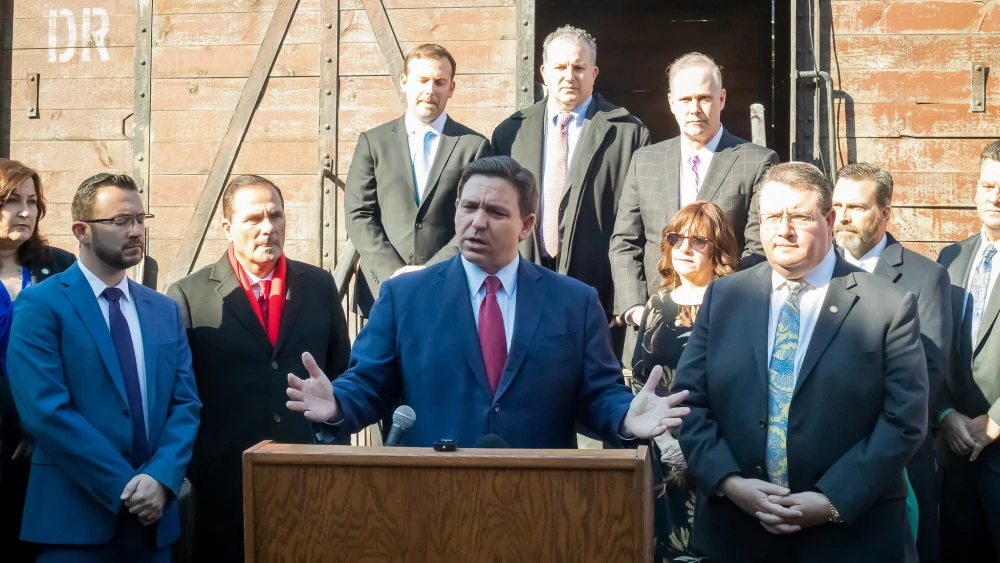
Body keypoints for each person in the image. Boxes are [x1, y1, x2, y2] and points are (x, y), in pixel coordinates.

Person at [286, 156, 688, 449]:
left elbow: (599, 394)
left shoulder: (575, 302)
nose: (477, 222)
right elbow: (369, 384)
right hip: (430, 501)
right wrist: (338, 402)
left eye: (496, 212)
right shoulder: (403, 297)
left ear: (526, 226)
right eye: (469, 207)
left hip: (543, 504)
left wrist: (626, 417)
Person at [673, 162, 927, 562]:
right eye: (773, 216)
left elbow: (905, 421)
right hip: (737, 533)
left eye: (800, 217)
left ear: (828, 220)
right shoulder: (724, 297)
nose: (784, 230)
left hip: (849, 537)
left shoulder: (888, 307)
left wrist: (831, 501)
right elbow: (689, 401)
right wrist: (730, 481)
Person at [7, 173, 200, 562]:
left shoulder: (163, 310)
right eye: (120, 221)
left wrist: (161, 478)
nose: (135, 231)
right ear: (81, 230)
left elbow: (185, 405)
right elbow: (45, 412)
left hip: (153, 528)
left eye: (141, 220)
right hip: (74, 525)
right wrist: (127, 485)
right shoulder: (41, 306)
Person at [166, 175, 351, 563]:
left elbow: (342, 372)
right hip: (224, 486)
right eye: (254, 219)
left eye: (276, 216)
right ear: (227, 228)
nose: (268, 227)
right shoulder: (188, 294)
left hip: (310, 476)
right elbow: (179, 393)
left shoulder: (318, 286)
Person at [491, 25, 650, 335]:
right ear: (544, 71)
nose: (569, 75)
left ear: (594, 72)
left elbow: (638, 223)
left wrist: (623, 297)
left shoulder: (627, 133)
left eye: (579, 67)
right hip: (522, 284)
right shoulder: (511, 133)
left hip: (595, 291)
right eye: (560, 67)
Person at [610, 52, 779, 333]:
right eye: (686, 99)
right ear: (671, 102)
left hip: (725, 323)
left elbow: (759, 249)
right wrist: (636, 310)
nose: (695, 108)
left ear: (721, 99)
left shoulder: (757, 161)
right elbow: (624, 242)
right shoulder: (645, 161)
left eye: (704, 98)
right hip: (651, 323)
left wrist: (715, 302)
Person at [832, 162, 951, 561]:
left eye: (857, 207)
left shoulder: (926, 276)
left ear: (885, 213)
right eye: (837, 205)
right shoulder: (816, 271)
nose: (843, 217)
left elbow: (929, 373)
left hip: (894, 461)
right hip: (818, 462)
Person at [630, 201, 740, 560]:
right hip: (659, 456)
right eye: (676, 239)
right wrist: (660, 438)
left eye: (698, 241)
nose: (684, 249)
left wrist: (696, 446)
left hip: (716, 454)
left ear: (719, 248)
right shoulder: (657, 302)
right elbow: (640, 376)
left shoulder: (737, 302)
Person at [346, 43, 490, 317]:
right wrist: (394, 272)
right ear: (404, 82)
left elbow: (476, 220)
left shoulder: (473, 146)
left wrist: (430, 272)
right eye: (422, 80)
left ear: (451, 88)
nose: (430, 90)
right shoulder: (373, 143)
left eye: (439, 82)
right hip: (383, 289)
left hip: (448, 287)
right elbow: (358, 214)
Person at [0, 159, 76, 563]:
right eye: (12, 201)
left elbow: (82, 353)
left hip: (48, 444)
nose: (26, 211)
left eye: (32, 201)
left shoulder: (61, 269)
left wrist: (42, 423)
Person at [936, 139, 1000, 562]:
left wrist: (994, 422)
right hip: (953, 450)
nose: (996, 197)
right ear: (975, 190)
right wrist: (944, 414)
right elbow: (929, 344)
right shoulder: (950, 257)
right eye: (989, 185)